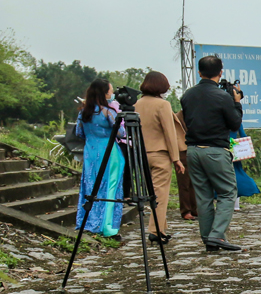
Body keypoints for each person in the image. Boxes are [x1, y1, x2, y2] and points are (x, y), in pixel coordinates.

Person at [180, 55, 243, 252]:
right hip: (215, 150)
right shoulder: (223, 97)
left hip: (192, 150)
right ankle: (217, 235)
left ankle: (209, 239)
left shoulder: (187, 95)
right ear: (220, 72)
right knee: (227, 192)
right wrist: (237, 102)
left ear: (199, 72)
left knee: (203, 196)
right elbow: (234, 123)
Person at [134, 71, 184, 244]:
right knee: (160, 195)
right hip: (160, 154)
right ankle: (155, 230)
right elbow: (170, 133)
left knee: (151, 193)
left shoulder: (136, 104)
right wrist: (176, 158)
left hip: (141, 154)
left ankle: (161, 228)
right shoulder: (163, 105)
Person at [74, 79, 125, 238]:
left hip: (90, 153)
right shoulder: (108, 112)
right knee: (110, 187)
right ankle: (107, 226)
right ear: (104, 93)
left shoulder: (83, 112)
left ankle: (89, 222)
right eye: (110, 90)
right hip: (109, 152)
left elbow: (79, 133)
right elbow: (121, 133)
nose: (112, 93)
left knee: (91, 186)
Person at [173, 111, 198, 220]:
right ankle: (186, 210)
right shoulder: (179, 116)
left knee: (195, 181)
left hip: (196, 148)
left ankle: (195, 208)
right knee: (184, 182)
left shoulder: (197, 112)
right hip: (183, 149)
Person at [230, 124, 260, 211]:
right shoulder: (235, 119)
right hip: (233, 149)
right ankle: (236, 205)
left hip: (220, 148)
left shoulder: (217, 118)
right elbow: (243, 134)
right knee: (236, 175)